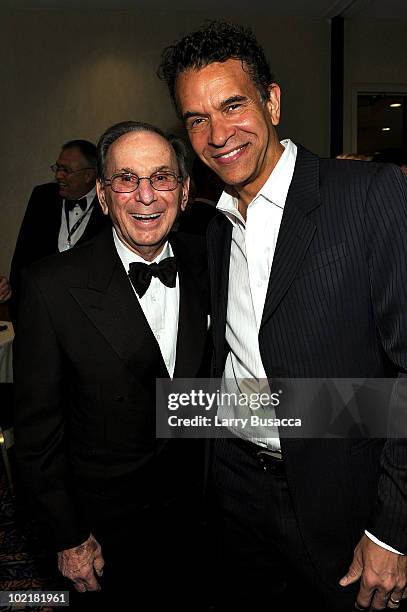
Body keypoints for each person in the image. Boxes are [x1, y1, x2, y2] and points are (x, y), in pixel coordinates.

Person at [158, 21, 407, 611]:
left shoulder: (366, 193)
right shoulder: (213, 221)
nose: (218, 134)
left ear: (272, 101)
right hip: (233, 485)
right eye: (196, 119)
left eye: (233, 105)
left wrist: (393, 526)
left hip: (340, 498)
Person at [14, 121, 210, 609]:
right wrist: (68, 535)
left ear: (184, 192)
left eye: (162, 178)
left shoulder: (212, 260)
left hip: (200, 519)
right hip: (104, 532)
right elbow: (37, 436)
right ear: (103, 196)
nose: (146, 196)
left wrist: (351, 412)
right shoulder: (51, 286)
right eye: (126, 179)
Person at [9, 139, 108, 321]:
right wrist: (16, 306)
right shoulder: (42, 197)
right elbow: (22, 256)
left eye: (66, 170)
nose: (59, 176)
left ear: (89, 175)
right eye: (58, 168)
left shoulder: (109, 207)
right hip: (39, 312)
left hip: (86, 317)